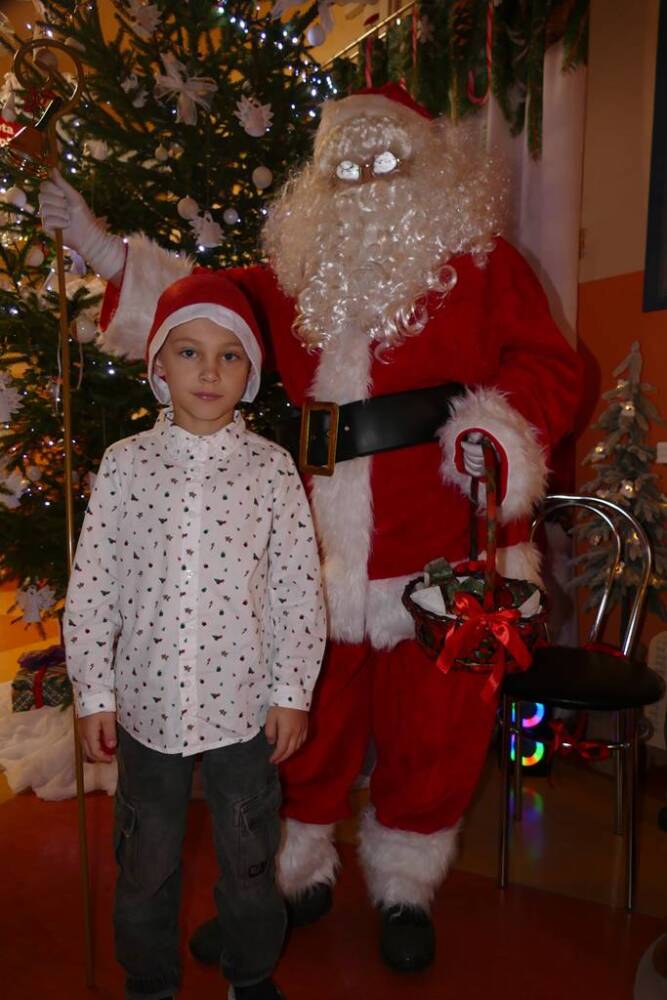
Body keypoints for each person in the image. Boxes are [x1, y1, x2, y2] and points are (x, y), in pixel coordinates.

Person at [43, 82, 583, 972]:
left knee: (432, 724)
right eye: (347, 167)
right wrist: (105, 250)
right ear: (318, 181)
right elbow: (200, 308)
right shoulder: (293, 275)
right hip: (312, 544)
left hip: (440, 538)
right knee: (303, 719)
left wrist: (497, 429)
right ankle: (287, 876)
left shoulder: (484, 265)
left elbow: (550, 364)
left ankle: (404, 885)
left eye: (387, 161)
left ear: (429, 169)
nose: (366, 183)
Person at [64, 270, 327, 1000]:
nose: (209, 372)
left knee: (249, 858)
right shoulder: (125, 466)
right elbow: (94, 586)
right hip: (147, 709)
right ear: (157, 366)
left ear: (249, 373)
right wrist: (94, 692)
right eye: (189, 353)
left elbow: (297, 590)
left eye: (228, 355)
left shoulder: (271, 470)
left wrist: (291, 690)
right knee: (145, 859)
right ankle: (149, 979)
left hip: (244, 708)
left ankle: (251, 972)